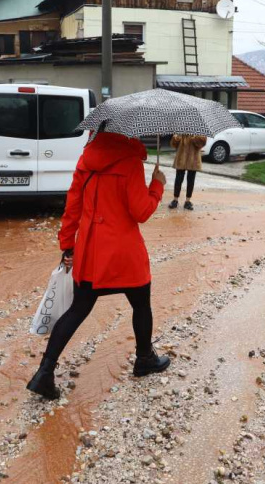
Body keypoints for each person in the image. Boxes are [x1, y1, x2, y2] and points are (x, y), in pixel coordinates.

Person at [27, 128, 170, 400]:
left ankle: (44, 373)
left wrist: (67, 245)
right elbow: (141, 212)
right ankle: (144, 359)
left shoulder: (86, 160)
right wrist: (157, 185)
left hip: (91, 253)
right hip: (124, 255)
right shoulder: (129, 162)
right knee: (141, 304)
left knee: (77, 310)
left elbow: (73, 206)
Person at [168, 134, 207, 210]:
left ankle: (188, 201)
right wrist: (176, 138)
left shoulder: (198, 129)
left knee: (191, 180)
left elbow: (202, 143)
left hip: (193, 159)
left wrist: (194, 137)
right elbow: (173, 144)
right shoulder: (181, 128)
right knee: (178, 179)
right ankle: (175, 200)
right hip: (181, 158)